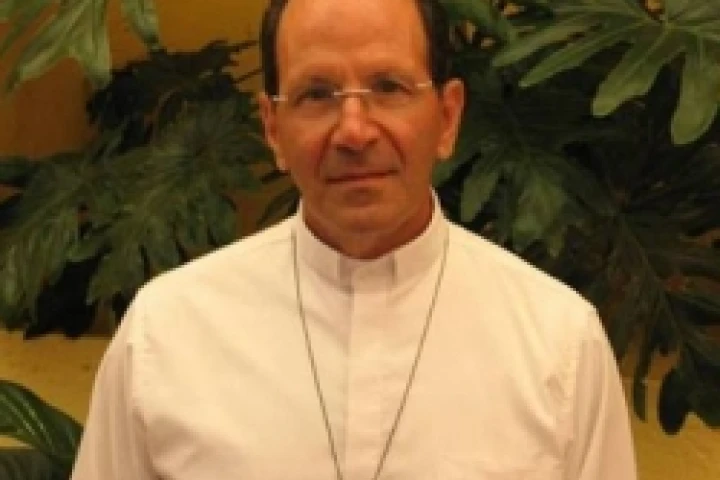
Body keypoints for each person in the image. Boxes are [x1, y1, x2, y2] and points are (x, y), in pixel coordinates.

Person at [70, 0, 637, 478]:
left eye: (389, 87)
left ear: (447, 117)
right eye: (317, 94)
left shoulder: (559, 345)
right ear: (272, 127)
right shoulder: (165, 334)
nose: (355, 131)